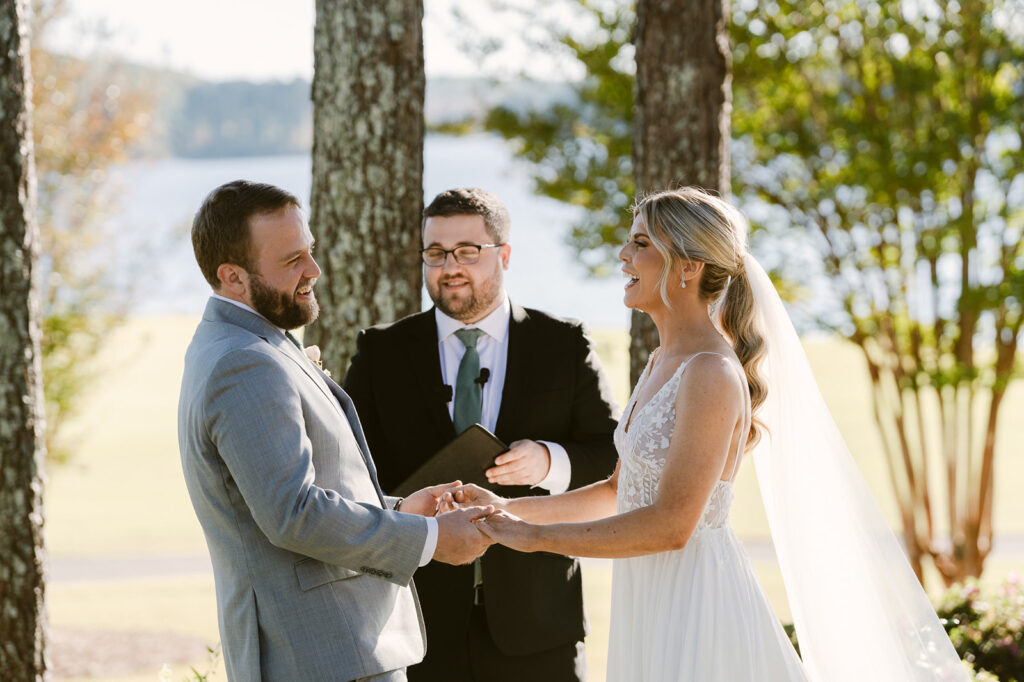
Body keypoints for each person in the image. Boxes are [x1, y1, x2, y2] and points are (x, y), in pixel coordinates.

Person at [452, 187, 971, 681]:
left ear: (689, 267)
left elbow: (673, 524)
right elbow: (617, 492)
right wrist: (502, 510)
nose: (622, 255)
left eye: (640, 243)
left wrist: (533, 539)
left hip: (696, 601)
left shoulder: (710, 372)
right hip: (650, 592)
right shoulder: (662, 360)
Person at [177, 180, 493, 682]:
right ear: (232, 277)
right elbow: (294, 514)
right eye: (291, 261)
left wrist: (399, 511)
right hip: (319, 655)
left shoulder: (247, 343)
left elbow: (307, 489)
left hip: (334, 649)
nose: (313, 271)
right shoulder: (245, 362)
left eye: (311, 251)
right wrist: (429, 538)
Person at [342, 187, 619, 681]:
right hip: (416, 624)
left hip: (539, 624)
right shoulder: (381, 352)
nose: (450, 266)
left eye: (468, 251)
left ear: (504, 255)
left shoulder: (563, 344)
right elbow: (350, 473)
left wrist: (550, 461)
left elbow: (613, 457)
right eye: (435, 253)